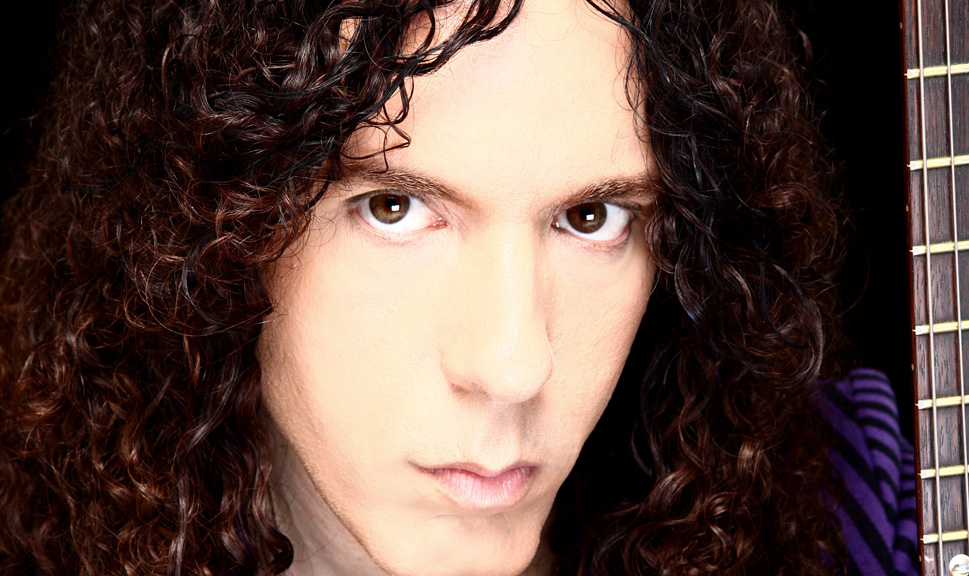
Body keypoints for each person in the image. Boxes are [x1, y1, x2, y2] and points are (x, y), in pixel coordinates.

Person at [0, 0, 917, 574]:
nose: (512, 365)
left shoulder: (856, 501)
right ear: (208, 220)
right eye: (394, 207)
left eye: (592, 217)